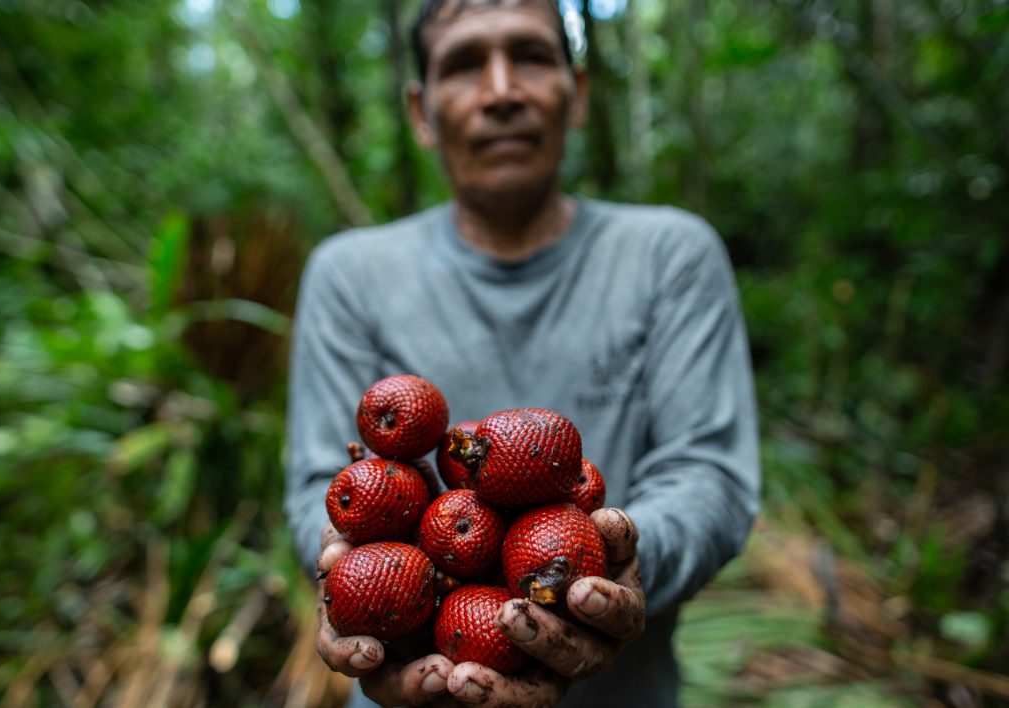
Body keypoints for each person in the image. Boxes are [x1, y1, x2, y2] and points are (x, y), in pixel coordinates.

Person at [285, 0, 761, 705]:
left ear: (578, 93)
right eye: (465, 62)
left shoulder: (669, 256)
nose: (502, 89)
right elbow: (315, 491)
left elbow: (711, 476)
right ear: (420, 111)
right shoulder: (349, 275)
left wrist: (613, 566)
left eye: (532, 56)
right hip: (424, 657)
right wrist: (346, 574)